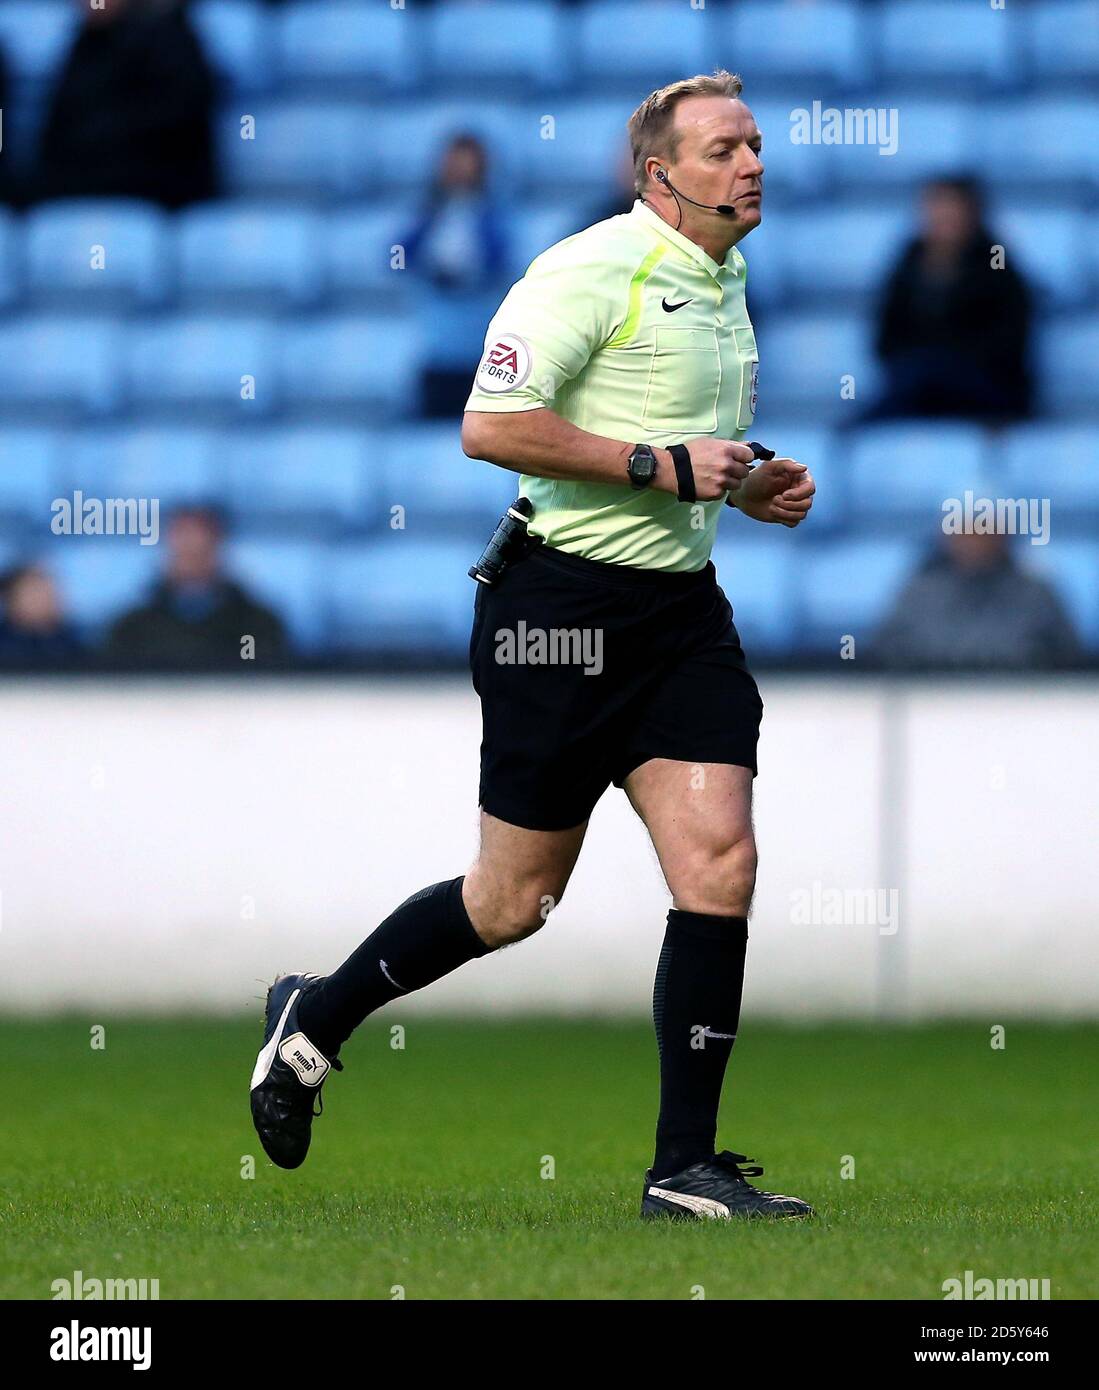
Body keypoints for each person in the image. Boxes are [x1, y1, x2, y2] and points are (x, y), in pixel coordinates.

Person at [250, 71, 817, 1222]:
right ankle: (314, 1017)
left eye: (754, 144)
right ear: (658, 175)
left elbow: (676, 441)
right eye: (722, 149)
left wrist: (743, 485)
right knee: (512, 902)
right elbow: (490, 426)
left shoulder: (726, 277)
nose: (750, 164)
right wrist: (659, 465)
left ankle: (684, 1168)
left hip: (680, 614)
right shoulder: (584, 269)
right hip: (558, 615)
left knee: (721, 860)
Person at [864, 175, 1032, 423]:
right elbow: (885, 338)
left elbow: (1008, 343)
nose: (944, 218)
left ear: (973, 213)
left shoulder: (998, 265)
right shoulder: (907, 263)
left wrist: (945, 357)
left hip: (985, 389)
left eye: (952, 209)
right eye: (936, 208)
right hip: (917, 386)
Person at [22, 0, 217, 210]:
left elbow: (177, 121)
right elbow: (58, 125)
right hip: (81, 176)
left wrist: (95, 139)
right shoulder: (85, 43)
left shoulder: (170, 38)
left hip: (151, 183)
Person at [402, 133, 511, 418]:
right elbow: (397, 256)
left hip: (478, 349)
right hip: (436, 347)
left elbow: (500, 260)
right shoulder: (428, 214)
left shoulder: (494, 215)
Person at [105, 507, 286, 669]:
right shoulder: (132, 630)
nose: (192, 557)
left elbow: (267, 682)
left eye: (200, 551)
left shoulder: (257, 627)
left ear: (219, 548)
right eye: (184, 550)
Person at [873, 531, 1081, 670]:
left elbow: (1072, 664)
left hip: (1023, 714)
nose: (974, 540)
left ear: (1004, 535)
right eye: (966, 529)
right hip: (932, 712)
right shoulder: (918, 594)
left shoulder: (1037, 595)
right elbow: (880, 658)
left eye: (984, 529)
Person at [0, 565, 84, 668]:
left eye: (49, 593)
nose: (46, 600)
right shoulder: (4, 645)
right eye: (33, 594)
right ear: (12, 599)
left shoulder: (72, 643)